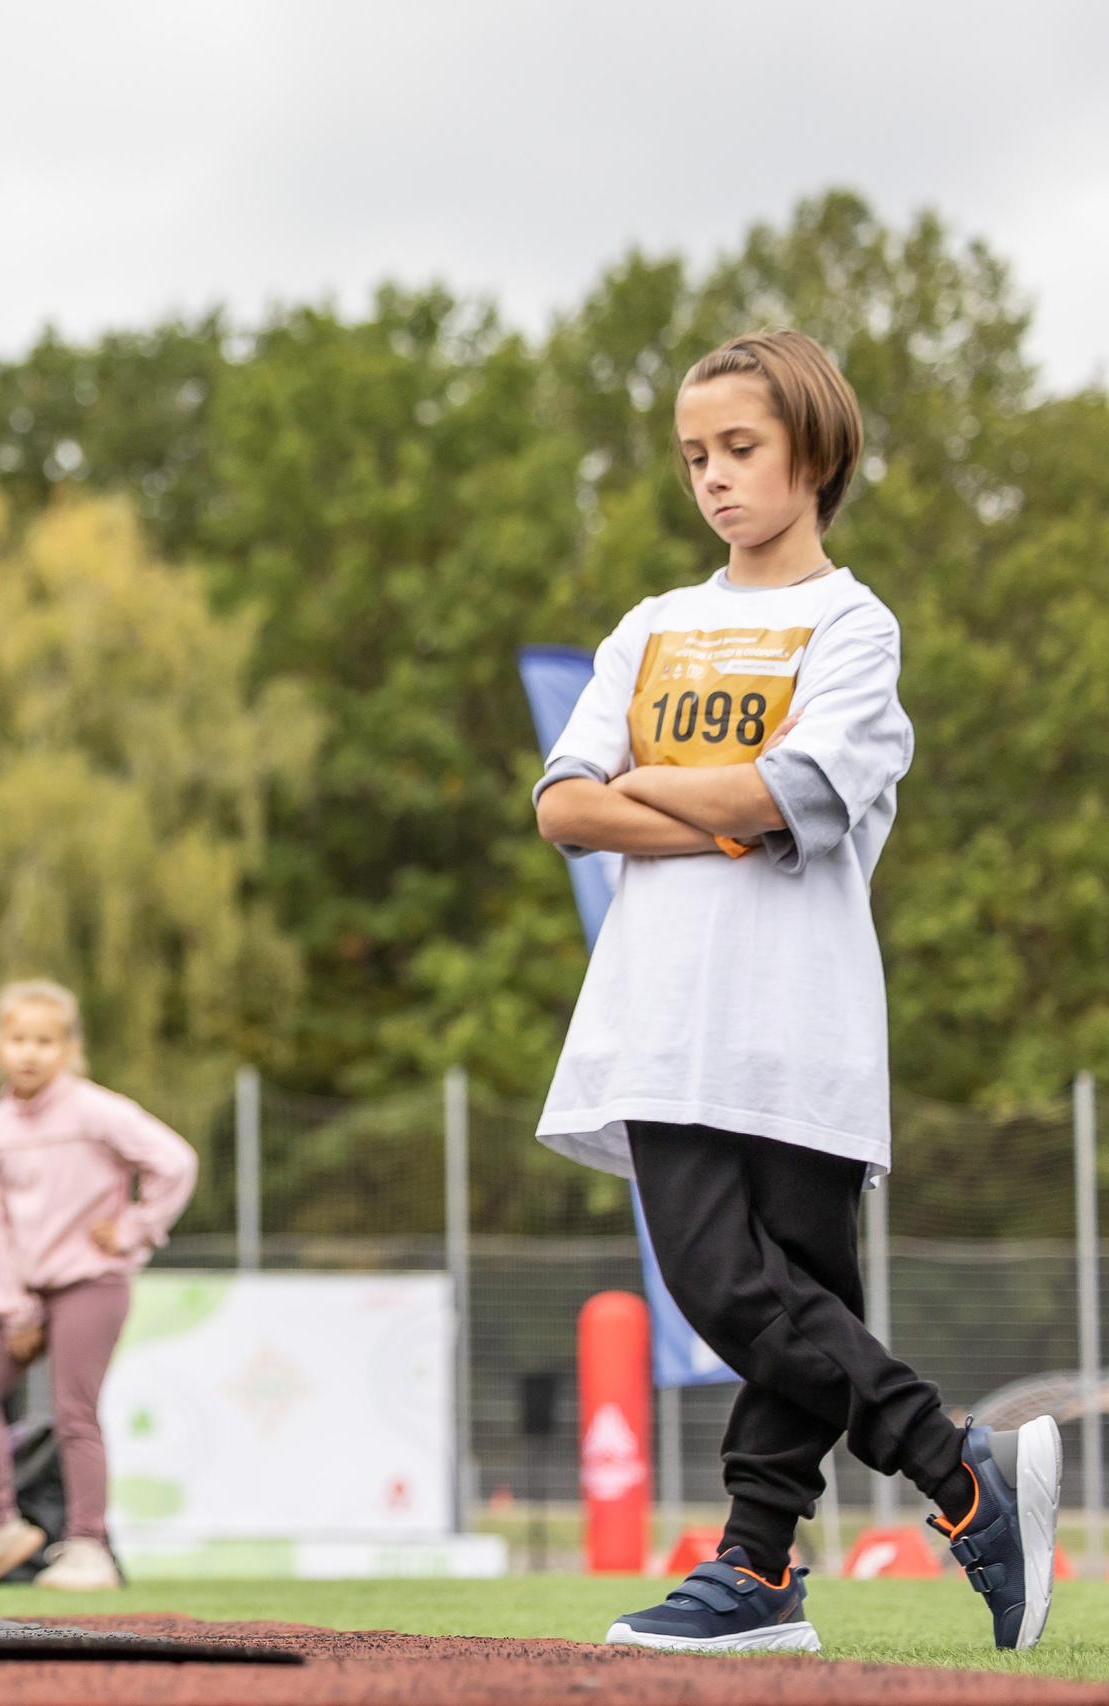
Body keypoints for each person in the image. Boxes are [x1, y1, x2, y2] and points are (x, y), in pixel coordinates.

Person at [534, 329, 1059, 1654]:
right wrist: (703, 806)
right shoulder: (653, 625)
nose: (711, 477)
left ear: (814, 454)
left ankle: (759, 1574)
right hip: (660, 1021)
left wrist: (653, 790)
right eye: (694, 454)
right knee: (728, 1284)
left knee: (800, 1293)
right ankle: (958, 1465)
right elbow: (561, 804)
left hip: (803, 1018)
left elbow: (791, 794)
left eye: (739, 449)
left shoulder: (850, 624)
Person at [0, 980, 195, 1593]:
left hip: (90, 1283)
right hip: (25, 1292)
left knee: (74, 1413)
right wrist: (14, 1307)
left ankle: (88, 1548)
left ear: (69, 1048)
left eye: (46, 1041)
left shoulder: (97, 1111)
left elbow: (176, 1162)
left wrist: (136, 1227)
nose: (31, 1053)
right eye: (19, 1039)